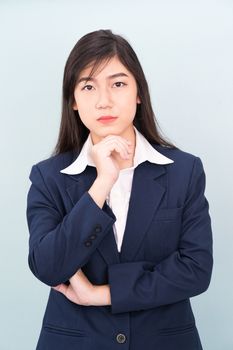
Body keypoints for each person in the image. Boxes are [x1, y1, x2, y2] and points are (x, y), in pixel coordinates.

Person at [26, 29, 213, 350]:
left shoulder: (185, 170)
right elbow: (48, 267)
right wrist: (101, 185)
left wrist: (100, 294)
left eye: (118, 83)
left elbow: (195, 270)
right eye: (88, 86)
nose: (104, 101)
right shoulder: (49, 177)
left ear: (139, 92)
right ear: (73, 100)